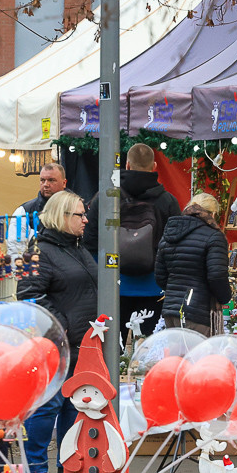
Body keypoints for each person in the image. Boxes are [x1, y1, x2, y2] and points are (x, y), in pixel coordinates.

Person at [17, 190, 98, 473]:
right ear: (62, 216)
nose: (86, 220)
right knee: (47, 405)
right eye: (80, 214)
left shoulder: (77, 248)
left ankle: (69, 468)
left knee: (71, 406)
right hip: (55, 343)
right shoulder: (38, 249)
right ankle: (35, 470)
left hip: (81, 343)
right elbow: (28, 295)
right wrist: (62, 325)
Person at [84, 143, 181, 336]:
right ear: (154, 167)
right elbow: (175, 245)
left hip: (114, 287)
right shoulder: (167, 201)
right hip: (154, 288)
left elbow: (90, 241)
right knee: (148, 352)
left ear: (127, 165)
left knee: (112, 350)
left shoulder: (106, 197)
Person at [154, 192, 231, 337]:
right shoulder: (214, 236)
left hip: (171, 311)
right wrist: (225, 297)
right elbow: (217, 276)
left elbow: (160, 276)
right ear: (213, 213)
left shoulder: (170, 232)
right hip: (198, 312)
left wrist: (176, 292)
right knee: (198, 358)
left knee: (178, 358)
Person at [7, 163, 67, 259]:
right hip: (37, 269)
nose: (46, 184)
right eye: (42, 180)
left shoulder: (76, 209)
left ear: (64, 183)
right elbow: (16, 251)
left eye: (51, 180)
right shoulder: (24, 211)